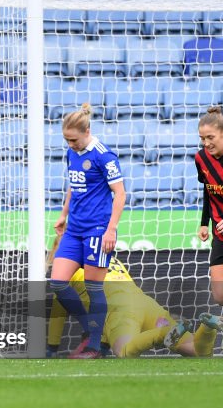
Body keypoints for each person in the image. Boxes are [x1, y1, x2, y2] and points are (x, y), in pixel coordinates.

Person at [49, 104, 126, 359]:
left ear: (87, 131)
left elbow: (120, 193)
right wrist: (63, 214)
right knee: (58, 282)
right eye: (67, 140)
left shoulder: (105, 156)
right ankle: (93, 330)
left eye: (74, 139)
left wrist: (111, 229)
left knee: (94, 287)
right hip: (74, 229)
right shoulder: (73, 153)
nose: (70, 144)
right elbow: (75, 184)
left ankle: (94, 346)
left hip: (97, 230)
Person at [47, 257, 219, 358]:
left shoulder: (65, 271)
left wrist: (51, 349)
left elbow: (58, 313)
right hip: (145, 304)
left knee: (124, 351)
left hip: (121, 311)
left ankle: (163, 333)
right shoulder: (108, 258)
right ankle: (208, 326)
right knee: (198, 351)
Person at [194, 106, 223, 313]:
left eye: (210, 137)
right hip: (219, 234)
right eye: (202, 138)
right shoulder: (201, 159)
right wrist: (204, 222)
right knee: (219, 294)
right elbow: (208, 189)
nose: (206, 143)